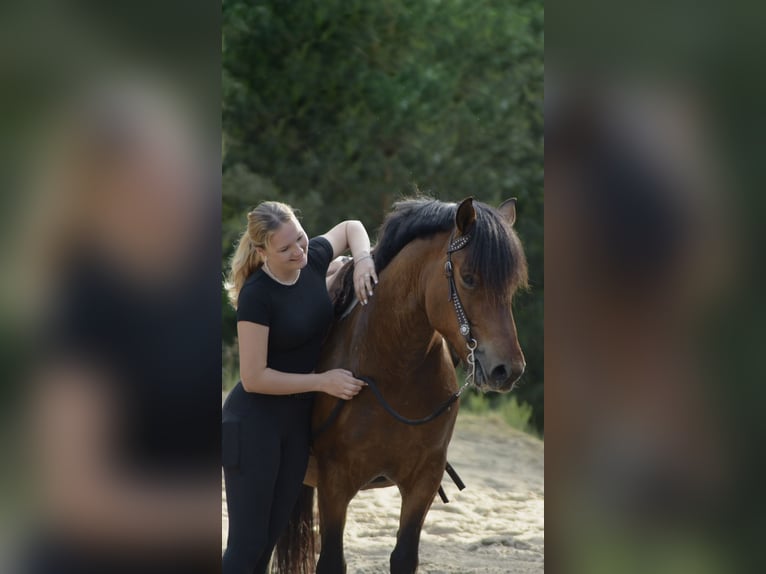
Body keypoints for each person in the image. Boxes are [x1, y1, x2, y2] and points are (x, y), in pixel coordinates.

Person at [222, 201, 378, 573]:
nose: (300, 251)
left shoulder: (312, 259)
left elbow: (351, 223)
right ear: (262, 252)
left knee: (270, 541)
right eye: (286, 248)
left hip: (294, 426)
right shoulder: (257, 295)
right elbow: (254, 377)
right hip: (252, 424)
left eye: (302, 239)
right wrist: (322, 382)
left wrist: (364, 260)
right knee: (247, 546)